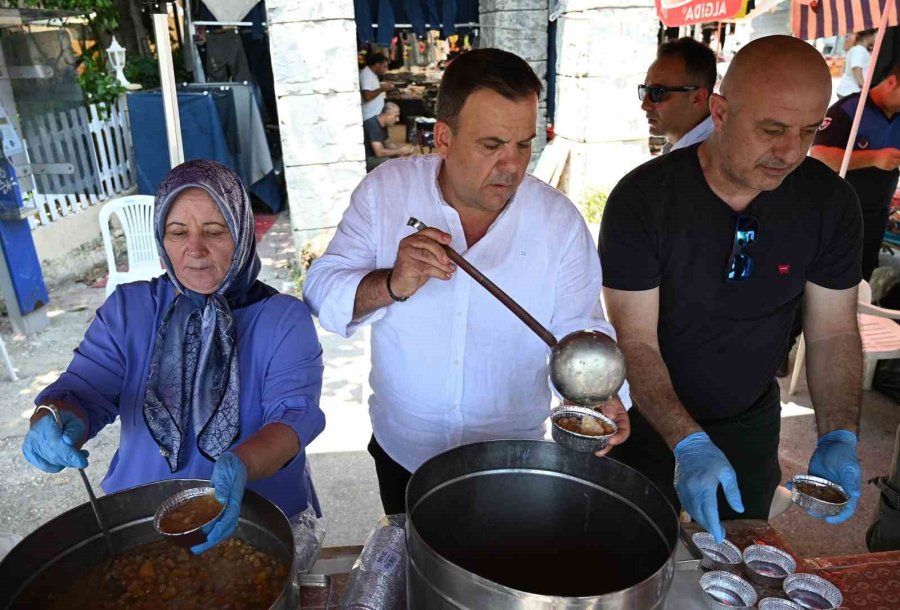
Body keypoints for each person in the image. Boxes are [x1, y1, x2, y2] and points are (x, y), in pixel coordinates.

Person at [304, 48, 631, 515]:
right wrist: (392, 283)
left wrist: (599, 394)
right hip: (404, 452)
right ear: (443, 138)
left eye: (524, 144)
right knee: (411, 572)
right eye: (492, 144)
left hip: (510, 460)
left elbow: (580, 330)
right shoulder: (386, 194)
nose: (512, 165)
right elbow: (321, 292)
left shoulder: (557, 222)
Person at [600, 35, 864, 543]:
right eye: (771, 129)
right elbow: (635, 339)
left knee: (739, 565)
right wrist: (687, 440)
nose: (790, 151)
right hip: (647, 422)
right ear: (718, 112)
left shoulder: (829, 203)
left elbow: (832, 332)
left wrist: (838, 432)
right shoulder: (644, 200)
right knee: (631, 554)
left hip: (750, 423)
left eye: (810, 130)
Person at [21, 160, 325, 553]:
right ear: (160, 239)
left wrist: (241, 464)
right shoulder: (129, 310)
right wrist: (56, 419)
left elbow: (293, 417)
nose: (194, 249)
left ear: (243, 233)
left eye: (214, 231)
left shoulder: (283, 318)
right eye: (177, 231)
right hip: (140, 519)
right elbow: (83, 391)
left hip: (255, 518)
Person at [810, 65, 900, 281]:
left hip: (876, 217)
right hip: (840, 215)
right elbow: (820, 155)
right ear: (891, 83)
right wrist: (874, 158)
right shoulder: (851, 109)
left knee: (862, 277)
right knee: (831, 277)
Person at [640, 37, 717, 154]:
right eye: (645, 90)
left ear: (697, 98)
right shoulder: (683, 152)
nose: (645, 105)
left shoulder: (710, 159)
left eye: (658, 92)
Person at [364, 102, 416, 172]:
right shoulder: (374, 126)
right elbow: (379, 152)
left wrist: (403, 150)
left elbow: (387, 144)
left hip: (374, 156)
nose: (398, 120)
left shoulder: (382, 124)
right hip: (367, 159)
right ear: (387, 115)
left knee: (398, 157)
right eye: (396, 116)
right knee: (388, 161)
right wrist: (399, 151)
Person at [836, 30, 877, 98]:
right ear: (868, 36)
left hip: (848, 90)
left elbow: (844, 69)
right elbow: (856, 67)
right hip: (851, 91)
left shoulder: (855, 49)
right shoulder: (859, 50)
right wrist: (864, 87)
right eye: (874, 35)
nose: (875, 37)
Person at [360, 53, 394, 121]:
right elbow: (367, 96)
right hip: (370, 117)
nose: (386, 69)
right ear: (377, 65)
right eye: (384, 66)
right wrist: (382, 88)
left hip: (375, 116)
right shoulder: (366, 75)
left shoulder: (372, 74)